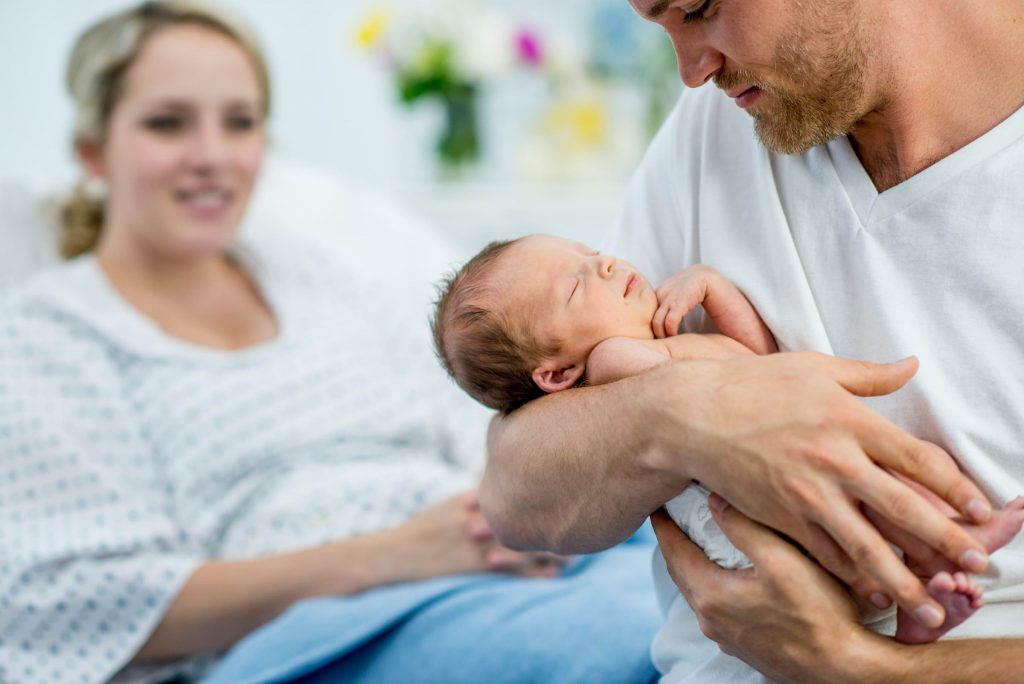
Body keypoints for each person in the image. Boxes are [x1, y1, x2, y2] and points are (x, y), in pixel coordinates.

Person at [0, 3, 662, 683]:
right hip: (336, 628)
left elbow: (481, 427)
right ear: (92, 151)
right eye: (168, 123)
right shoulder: (51, 334)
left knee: (726, 585)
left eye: (240, 122)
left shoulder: (320, 272)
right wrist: (393, 555)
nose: (212, 156)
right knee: (655, 638)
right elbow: (85, 605)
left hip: (515, 560)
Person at [480, 0, 1024, 680]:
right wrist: (688, 417)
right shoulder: (724, 121)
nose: (689, 70)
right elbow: (514, 490)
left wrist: (856, 666)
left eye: (699, 8)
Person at [432, 232, 1024, 646]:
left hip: (773, 484)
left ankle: (920, 612)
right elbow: (712, 396)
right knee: (864, 505)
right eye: (575, 287)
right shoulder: (615, 361)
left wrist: (714, 290)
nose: (606, 264)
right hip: (739, 517)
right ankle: (937, 572)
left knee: (886, 492)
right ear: (558, 375)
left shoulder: (656, 337)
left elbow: (753, 357)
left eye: (588, 253)